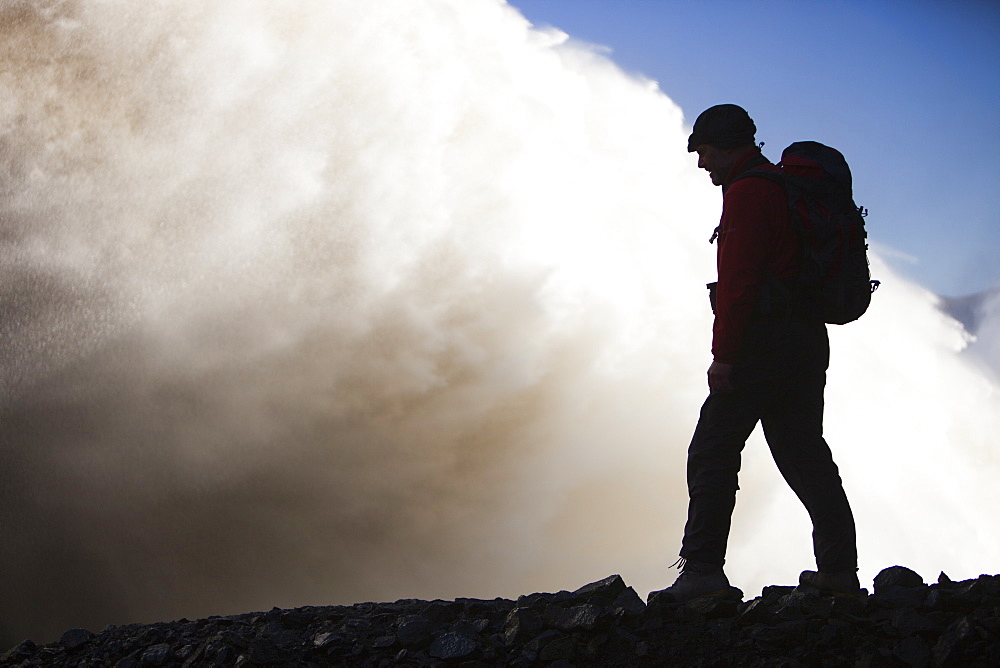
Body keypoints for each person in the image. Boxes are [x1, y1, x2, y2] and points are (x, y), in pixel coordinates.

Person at [661, 104, 860, 601]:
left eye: (702, 150)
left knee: (713, 451)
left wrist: (724, 357)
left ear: (725, 145)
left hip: (761, 343)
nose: (701, 162)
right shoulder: (785, 189)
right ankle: (838, 573)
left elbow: (739, 283)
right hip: (806, 341)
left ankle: (703, 572)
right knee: (804, 453)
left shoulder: (750, 192)